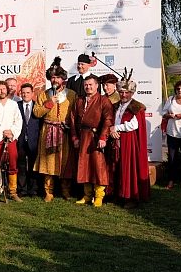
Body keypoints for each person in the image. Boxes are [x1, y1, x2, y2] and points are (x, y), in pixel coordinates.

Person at [33, 57, 77, 202]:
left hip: (65, 132)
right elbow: (37, 113)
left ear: (63, 79)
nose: (55, 80)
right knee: (48, 162)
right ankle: (49, 192)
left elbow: (75, 113)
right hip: (48, 131)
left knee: (65, 161)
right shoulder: (43, 95)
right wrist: (49, 104)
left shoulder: (72, 95)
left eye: (58, 77)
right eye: (52, 77)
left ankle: (65, 190)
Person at [69, 75, 114, 207]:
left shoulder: (103, 101)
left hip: (96, 138)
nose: (88, 87)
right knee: (84, 166)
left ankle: (99, 196)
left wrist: (103, 137)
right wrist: (75, 137)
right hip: (83, 137)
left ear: (96, 86)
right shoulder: (79, 101)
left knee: (97, 166)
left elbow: (108, 120)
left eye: (90, 85)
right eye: (86, 85)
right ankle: (87, 195)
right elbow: (72, 120)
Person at [108, 75, 150, 208]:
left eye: (126, 92)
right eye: (121, 92)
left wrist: (117, 128)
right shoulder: (115, 106)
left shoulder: (136, 106)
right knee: (117, 166)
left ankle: (130, 197)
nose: (124, 95)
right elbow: (112, 120)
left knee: (129, 167)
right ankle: (118, 194)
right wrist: (112, 130)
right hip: (115, 139)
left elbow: (134, 125)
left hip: (129, 142)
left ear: (131, 93)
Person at [0, 80, 23, 202]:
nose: (2, 91)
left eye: (4, 89)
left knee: (13, 162)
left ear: (7, 90)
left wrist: (11, 132)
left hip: (11, 138)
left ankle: (12, 192)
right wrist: (1, 133)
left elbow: (18, 121)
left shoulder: (13, 104)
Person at [17, 83, 42, 197]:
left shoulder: (38, 107)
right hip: (20, 140)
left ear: (32, 93)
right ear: (20, 93)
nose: (25, 95)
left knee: (33, 165)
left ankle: (33, 189)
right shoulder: (15, 106)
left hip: (34, 140)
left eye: (28, 92)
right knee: (21, 165)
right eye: (23, 93)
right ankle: (22, 189)